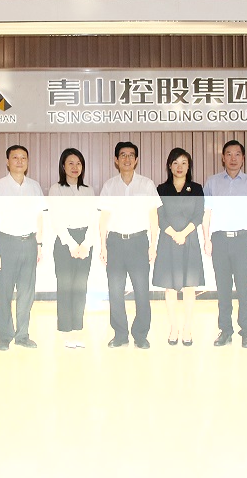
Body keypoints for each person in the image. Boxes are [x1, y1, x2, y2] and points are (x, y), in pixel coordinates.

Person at [202, 140, 247, 349]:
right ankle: (225, 330)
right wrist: (207, 239)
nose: (233, 158)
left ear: (243, 158)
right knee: (223, 290)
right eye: (228, 154)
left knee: (244, 289)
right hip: (219, 240)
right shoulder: (212, 182)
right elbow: (206, 213)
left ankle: (246, 332)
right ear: (223, 158)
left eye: (237, 154)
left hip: (242, 240)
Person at [99, 141, 161, 349]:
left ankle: (141, 335)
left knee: (142, 291)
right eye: (123, 155)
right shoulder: (109, 186)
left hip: (139, 243)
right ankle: (120, 335)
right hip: (115, 243)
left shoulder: (147, 184)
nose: (127, 159)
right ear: (116, 160)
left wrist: (153, 245)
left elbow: (154, 217)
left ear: (137, 160)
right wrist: (103, 246)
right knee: (115, 291)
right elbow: (103, 218)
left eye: (131, 155)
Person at [0, 145, 46, 351]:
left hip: (29, 243)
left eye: (23, 158)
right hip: (6, 244)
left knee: (26, 294)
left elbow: (39, 217)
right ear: (7, 161)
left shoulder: (34, 187)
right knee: (4, 293)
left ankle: (22, 335)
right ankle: (4, 336)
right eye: (15, 157)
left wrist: (39, 244)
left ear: (27, 162)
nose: (19, 161)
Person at [46, 148, 98, 349]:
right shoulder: (56, 189)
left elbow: (93, 219)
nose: (75, 167)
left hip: (85, 241)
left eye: (78, 163)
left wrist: (86, 244)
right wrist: (71, 244)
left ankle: (77, 327)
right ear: (63, 166)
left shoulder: (88, 190)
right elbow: (56, 219)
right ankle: (64, 329)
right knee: (65, 285)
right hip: (64, 241)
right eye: (70, 163)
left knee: (80, 286)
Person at [154, 147, 205, 346]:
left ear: (189, 166)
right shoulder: (161, 189)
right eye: (175, 163)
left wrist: (183, 234)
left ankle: (187, 328)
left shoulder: (196, 188)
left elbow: (198, 215)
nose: (179, 167)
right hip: (168, 241)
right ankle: (174, 328)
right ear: (169, 166)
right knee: (170, 288)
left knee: (189, 287)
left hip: (189, 241)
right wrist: (174, 234)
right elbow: (160, 217)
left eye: (184, 162)